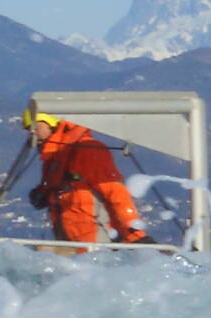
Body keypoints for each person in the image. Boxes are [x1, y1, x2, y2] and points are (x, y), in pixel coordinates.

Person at [23, 105, 150, 249]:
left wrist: (135, 235)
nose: (32, 134)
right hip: (70, 241)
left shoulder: (87, 150)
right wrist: (43, 194)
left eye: (36, 128)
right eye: (29, 130)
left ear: (53, 125)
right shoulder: (55, 159)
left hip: (95, 245)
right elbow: (59, 188)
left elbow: (116, 193)